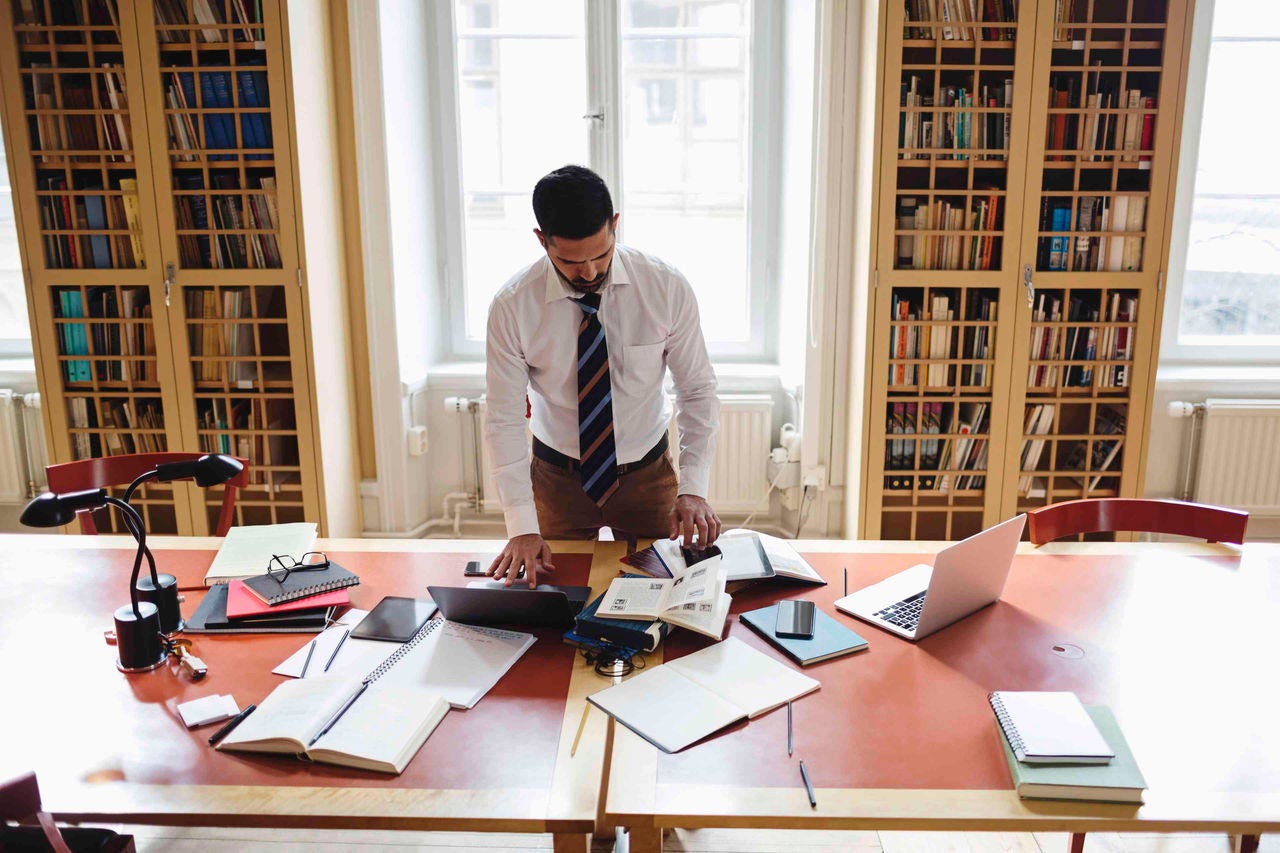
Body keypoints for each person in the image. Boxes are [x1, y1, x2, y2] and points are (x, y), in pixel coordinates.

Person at [484, 165, 721, 587]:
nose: (590, 273)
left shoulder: (665, 288)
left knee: (665, 594)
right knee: (555, 602)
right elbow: (502, 418)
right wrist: (521, 525)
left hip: (647, 475)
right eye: (571, 261)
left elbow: (697, 390)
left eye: (601, 254)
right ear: (542, 240)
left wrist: (694, 487)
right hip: (557, 480)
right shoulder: (513, 306)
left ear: (615, 225)